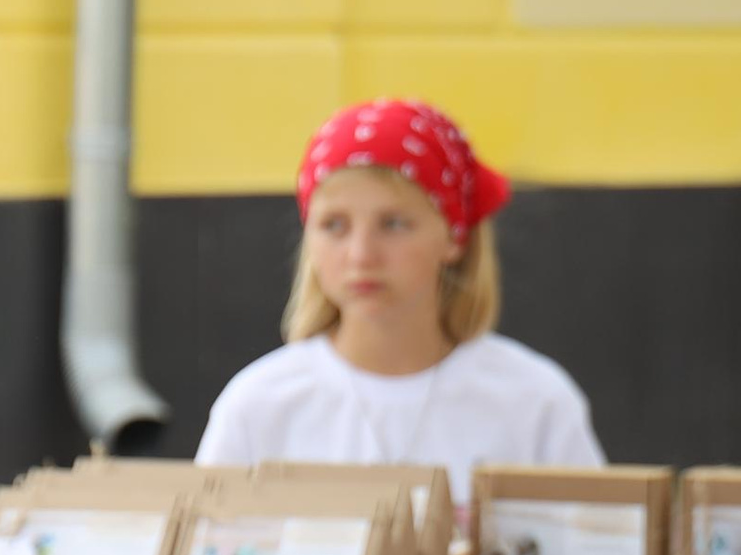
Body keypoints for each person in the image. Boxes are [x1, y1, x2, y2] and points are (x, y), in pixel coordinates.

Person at [197, 98, 601, 514]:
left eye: (393, 224)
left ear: (454, 237)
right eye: (334, 225)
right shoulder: (259, 405)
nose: (361, 255)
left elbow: (596, 546)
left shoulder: (535, 402)